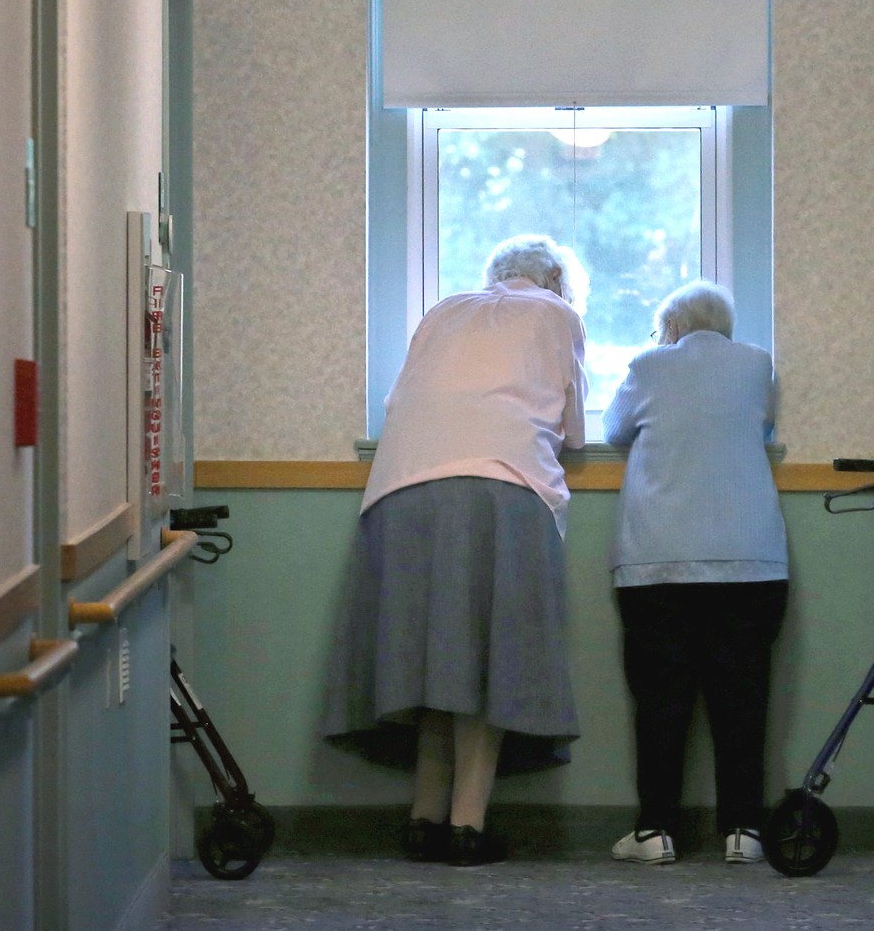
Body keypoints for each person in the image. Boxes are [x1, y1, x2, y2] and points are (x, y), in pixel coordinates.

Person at [322, 234, 590, 867]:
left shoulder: (442, 310)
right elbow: (574, 431)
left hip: (400, 491)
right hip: (502, 484)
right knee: (488, 659)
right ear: (556, 283)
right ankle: (468, 825)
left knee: (431, 659)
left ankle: (424, 817)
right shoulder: (556, 315)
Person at [603, 280, 788, 867]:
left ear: (672, 327)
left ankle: (656, 830)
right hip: (751, 559)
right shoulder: (758, 364)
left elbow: (613, 430)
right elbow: (762, 427)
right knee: (744, 699)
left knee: (661, 701)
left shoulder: (648, 364)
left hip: (659, 561)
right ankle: (744, 831)